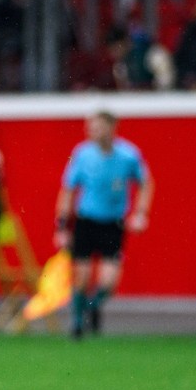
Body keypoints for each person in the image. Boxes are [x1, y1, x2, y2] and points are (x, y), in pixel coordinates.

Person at [53, 110, 153, 340]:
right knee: (82, 276)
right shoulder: (81, 154)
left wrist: (140, 213)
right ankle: (77, 323)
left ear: (111, 128)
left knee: (109, 282)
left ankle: (91, 307)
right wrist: (61, 226)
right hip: (86, 221)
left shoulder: (128, 155)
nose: (91, 131)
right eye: (90, 127)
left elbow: (146, 183)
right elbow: (68, 190)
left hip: (113, 224)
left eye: (97, 127)